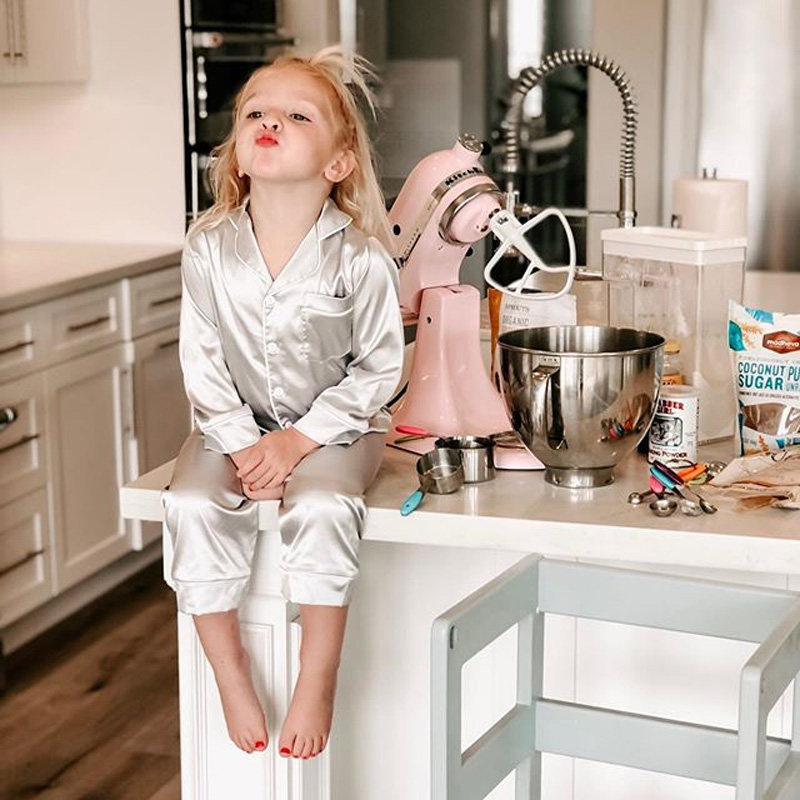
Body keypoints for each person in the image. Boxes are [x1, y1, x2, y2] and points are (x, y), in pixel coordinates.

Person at [162, 47, 404, 761]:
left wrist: (298, 442)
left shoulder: (360, 258)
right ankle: (228, 668)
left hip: (338, 433)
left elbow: (378, 371)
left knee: (324, 506)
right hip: (230, 428)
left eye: (298, 117)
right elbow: (201, 360)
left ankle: (317, 674)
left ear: (339, 163)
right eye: (256, 113)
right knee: (190, 505)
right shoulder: (207, 248)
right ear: (237, 151)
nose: (270, 123)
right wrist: (243, 445)